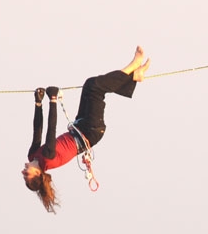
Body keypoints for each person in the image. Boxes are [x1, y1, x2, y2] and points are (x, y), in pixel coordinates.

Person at [22, 47, 150, 212]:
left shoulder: (33, 155)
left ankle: (133, 78)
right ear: (38, 174)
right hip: (91, 131)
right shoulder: (47, 158)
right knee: (96, 88)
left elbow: (37, 129)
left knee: (90, 84)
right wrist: (52, 100)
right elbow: (50, 130)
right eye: (27, 174)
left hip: (80, 127)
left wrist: (38, 103)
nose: (23, 170)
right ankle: (133, 69)